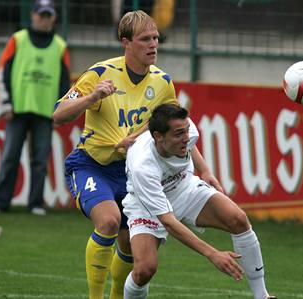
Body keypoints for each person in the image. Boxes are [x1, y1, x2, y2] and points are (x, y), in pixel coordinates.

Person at [54, 10, 218, 299]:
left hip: (131, 173)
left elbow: (180, 131)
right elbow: (59, 114)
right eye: (145, 39)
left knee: (129, 241)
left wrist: (204, 170)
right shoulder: (101, 73)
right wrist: (93, 98)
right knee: (108, 220)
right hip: (92, 165)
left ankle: (117, 295)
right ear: (125, 42)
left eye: (155, 38)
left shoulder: (162, 82)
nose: (153, 44)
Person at [122, 104, 277, 299]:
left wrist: (204, 170)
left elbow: (191, 144)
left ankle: (262, 296)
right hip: (146, 208)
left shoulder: (187, 130)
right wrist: (212, 253)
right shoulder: (143, 166)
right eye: (179, 134)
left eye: (186, 131)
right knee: (144, 270)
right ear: (158, 137)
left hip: (186, 189)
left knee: (238, 219)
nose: (186, 137)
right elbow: (168, 221)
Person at [0, 0, 70, 216]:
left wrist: (59, 110)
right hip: (17, 109)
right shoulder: (17, 40)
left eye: (48, 15)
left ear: (54, 18)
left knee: (40, 160)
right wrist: (5, 103)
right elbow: (2, 73)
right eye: (41, 15)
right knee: (9, 157)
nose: (44, 19)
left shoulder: (60, 46)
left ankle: (36, 203)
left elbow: (64, 83)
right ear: (33, 15)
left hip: (45, 112)